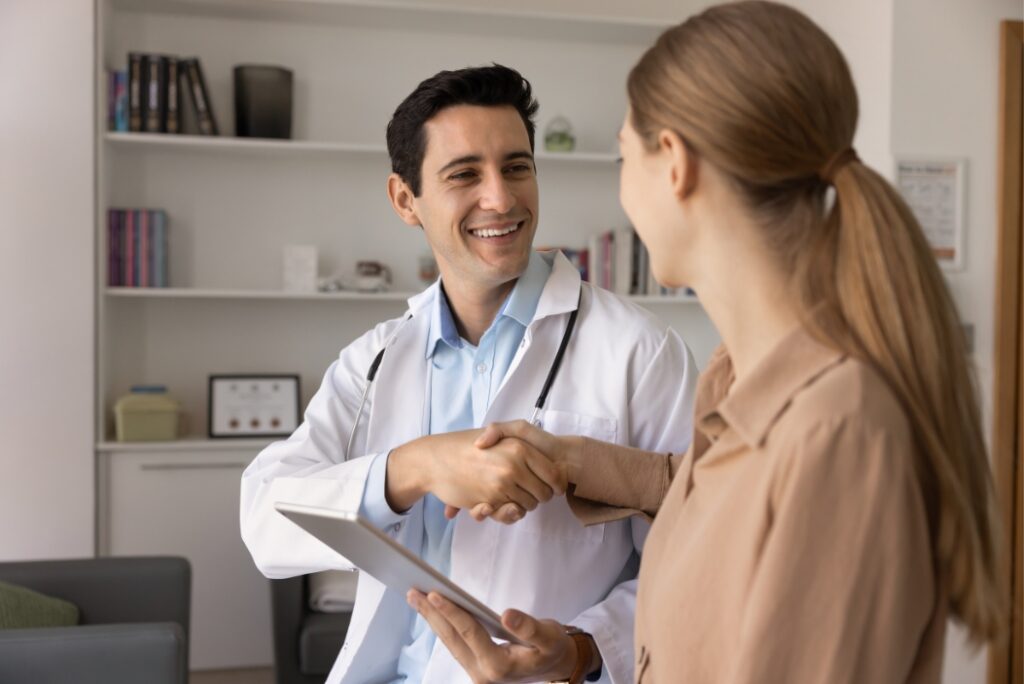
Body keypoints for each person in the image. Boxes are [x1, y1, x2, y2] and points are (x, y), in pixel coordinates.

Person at [406, 4, 1005, 682]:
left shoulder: (839, 430)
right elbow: (706, 492)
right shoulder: (738, 382)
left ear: (676, 166)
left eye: (625, 154)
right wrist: (565, 460)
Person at [239, 64, 698, 684]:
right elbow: (266, 520)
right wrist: (417, 466)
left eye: (517, 167)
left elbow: (697, 560)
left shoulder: (638, 351)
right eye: (464, 175)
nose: (501, 198)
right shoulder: (373, 360)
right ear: (406, 200)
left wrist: (584, 648)